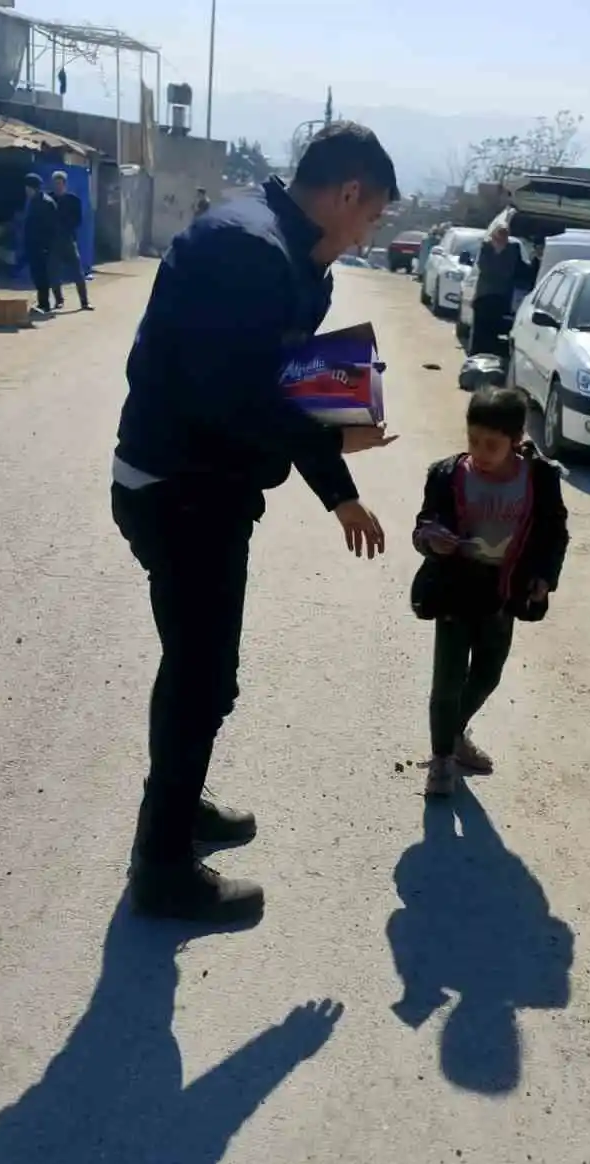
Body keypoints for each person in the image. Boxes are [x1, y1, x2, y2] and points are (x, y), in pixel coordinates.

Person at [111, 121, 400, 923]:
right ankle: (162, 866)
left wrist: (338, 487)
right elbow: (230, 403)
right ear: (347, 194)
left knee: (206, 675)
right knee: (201, 677)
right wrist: (339, 437)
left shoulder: (294, 259)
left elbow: (291, 389)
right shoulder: (249, 251)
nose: (369, 231)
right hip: (180, 488)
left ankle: (179, 802)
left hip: (207, 488)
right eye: (372, 215)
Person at [410, 387, 569, 798]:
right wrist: (432, 538)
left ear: (516, 441)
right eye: (473, 440)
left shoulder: (539, 478)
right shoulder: (446, 474)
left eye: (492, 444)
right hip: (454, 588)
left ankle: (454, 731)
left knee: (487, 673)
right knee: (447, 679)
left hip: (503, 592)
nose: (480, 451)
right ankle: (442, 760)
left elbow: (554, 533)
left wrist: (544, 577)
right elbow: (424, 523)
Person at [470, 222, 521, 355]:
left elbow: (508, 272)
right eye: (498, 237)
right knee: (478, 332)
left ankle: (489, 358)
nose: (500, 241)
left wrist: (500, 254)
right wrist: (496, 253)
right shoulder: (486, 248)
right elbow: (484, 268)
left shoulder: (512, 250)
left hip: (500, 297)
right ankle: (475, 357)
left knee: (493, 333)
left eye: (503, 238)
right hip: (483, 296)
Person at [49, 171, 91, 311]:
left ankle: (84, 302)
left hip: (68, 240)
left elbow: (77, 220)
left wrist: (66, 227)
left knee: (77, 272)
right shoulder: (49, 199)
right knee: (54, 272)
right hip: (53, 241)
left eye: (60, 183)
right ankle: (58, 301)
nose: (58, 186)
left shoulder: (73, 200)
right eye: (55, 183)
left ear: (65, 184)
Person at [22, 173, 60, 313]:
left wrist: (46, 246)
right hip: (34, 245)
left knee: (42, 275)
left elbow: (51, 227)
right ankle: (42, 303)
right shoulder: (34, 201)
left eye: (27, 187)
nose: (26, 190)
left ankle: (45, 304)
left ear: (33, 188)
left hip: (42, 246)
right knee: (37, 275)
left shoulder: (45, 203)